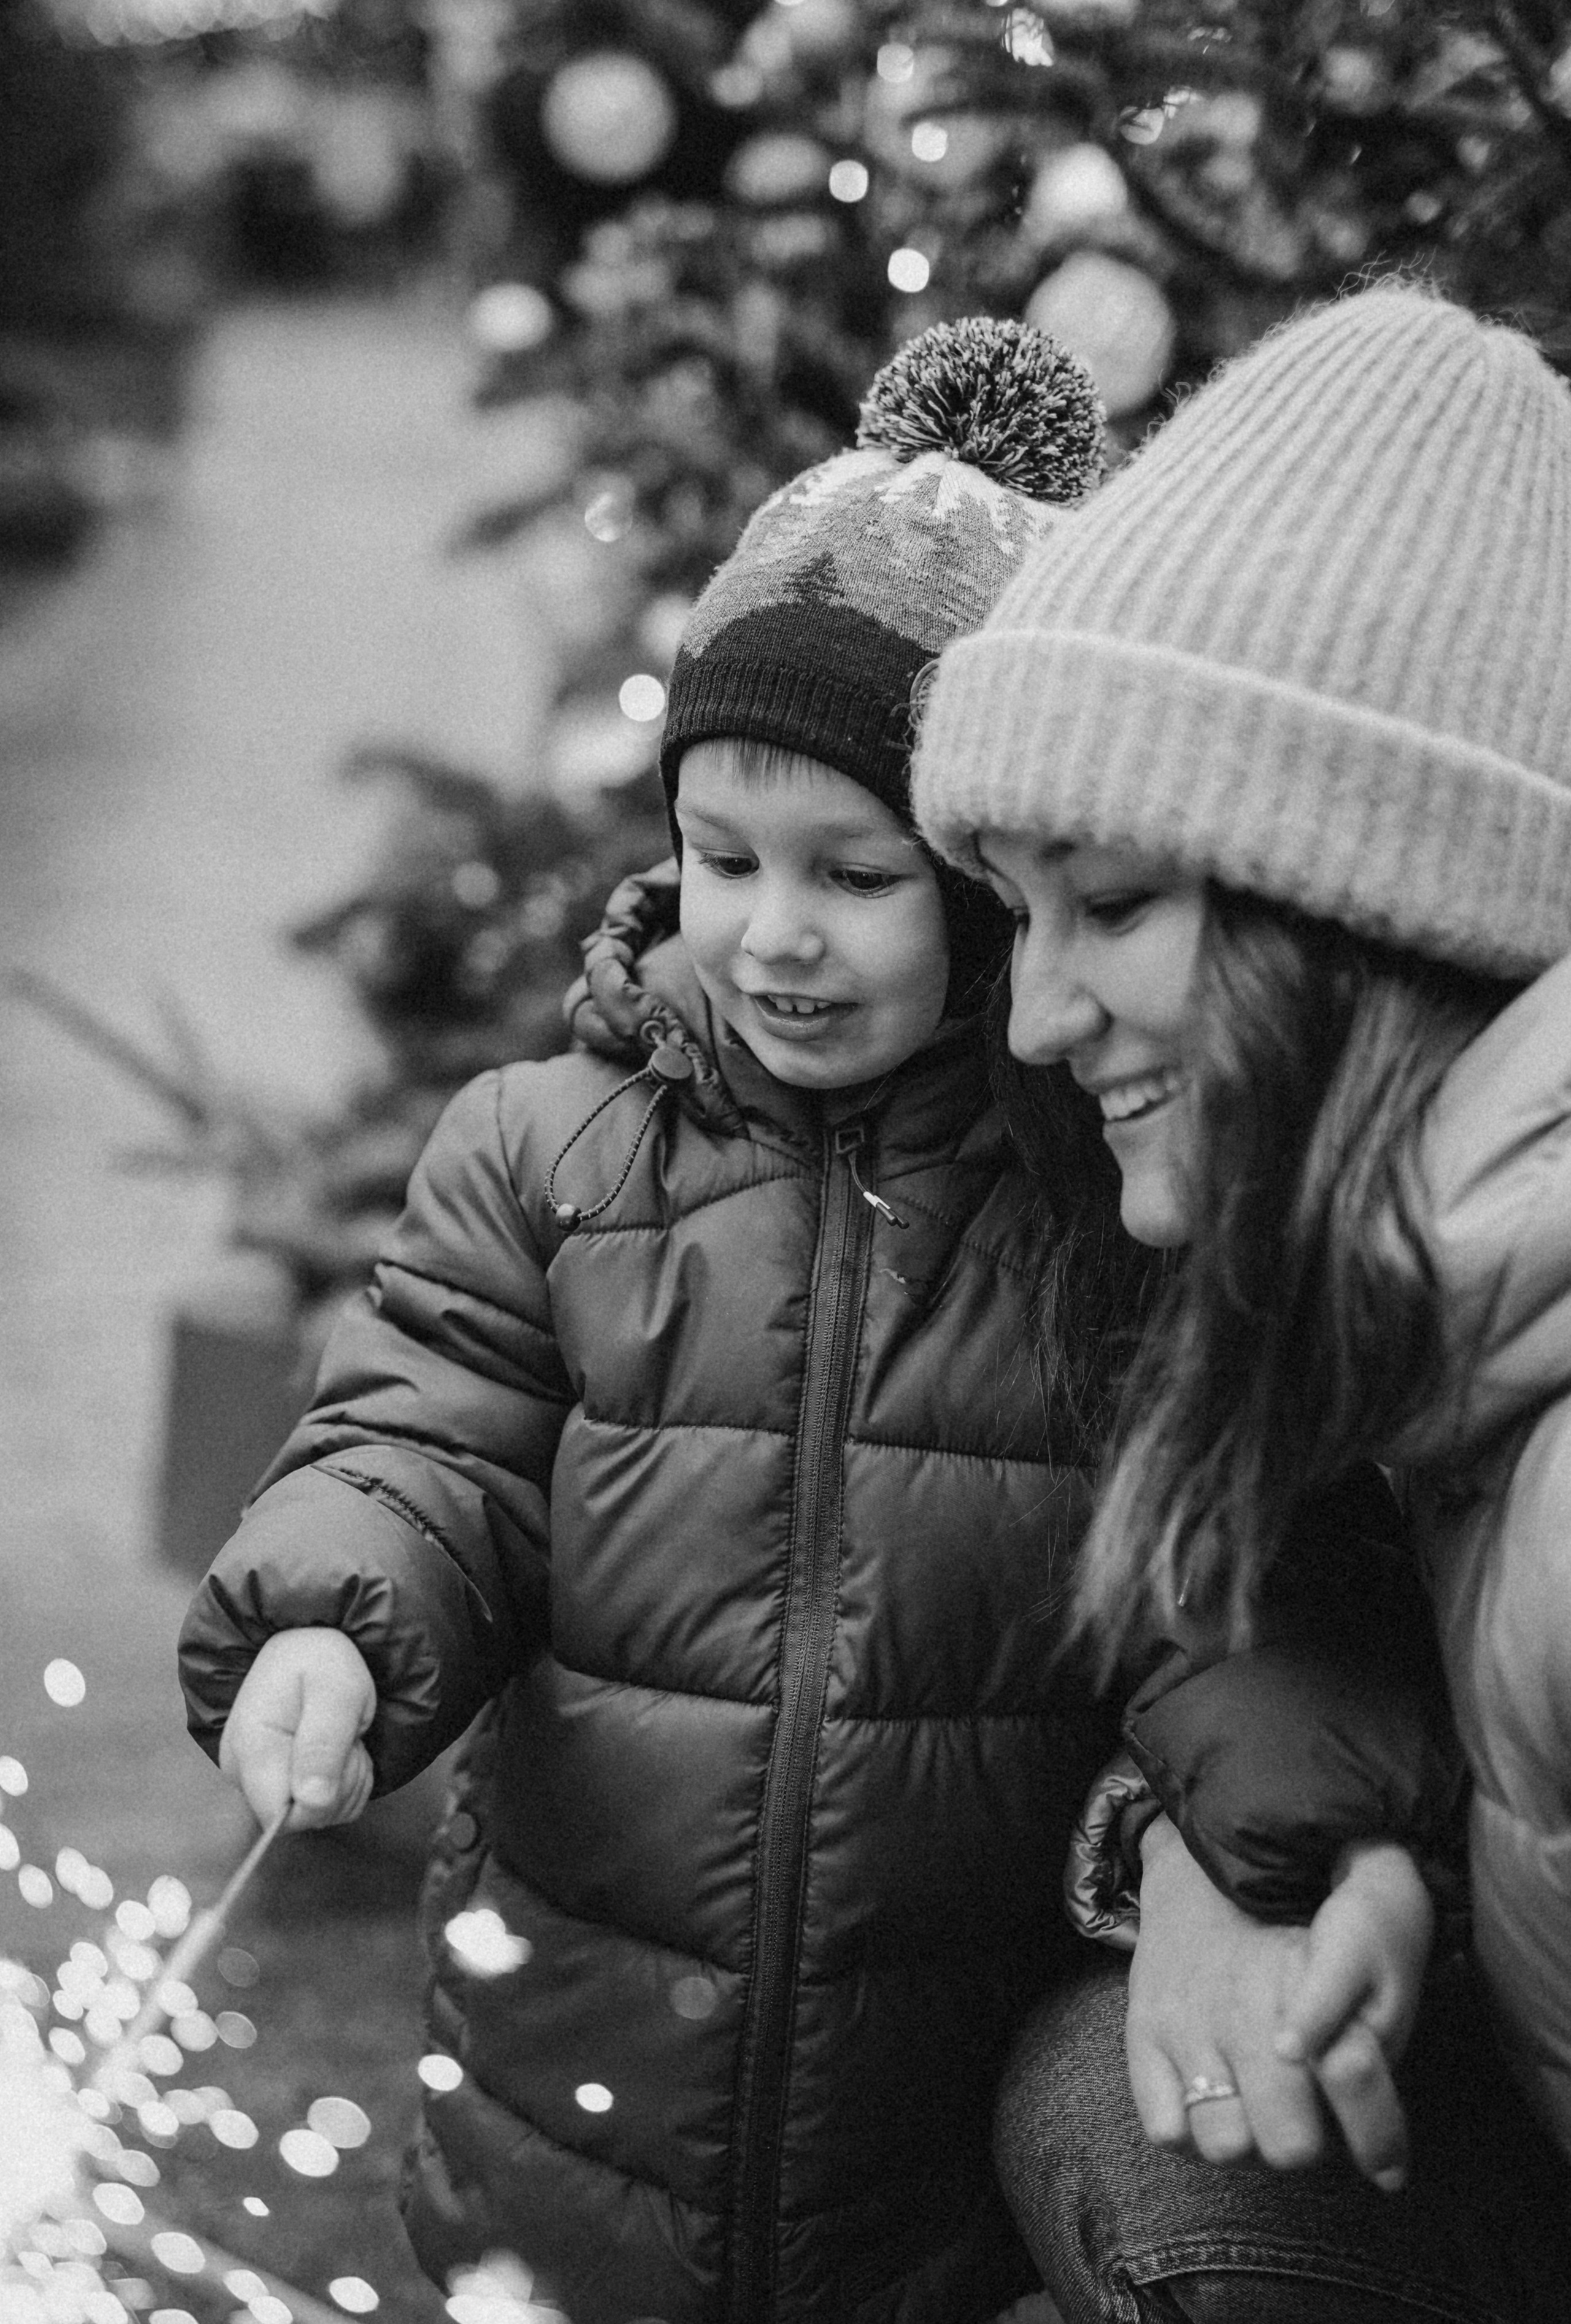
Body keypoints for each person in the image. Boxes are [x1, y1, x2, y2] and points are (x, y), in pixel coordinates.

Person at [177, 316, 1174, 2324]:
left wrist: (1274, 1831)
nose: (771, 931)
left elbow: (1208, 1577)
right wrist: (332, 1624)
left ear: (992, 890)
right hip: (576, 2066)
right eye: (720, 858)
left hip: (934, 2112)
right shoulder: (554, 1151)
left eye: (856, 874)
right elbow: (427, 1443)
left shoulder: (1102, 1213)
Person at [911, 282, 1571, 2322]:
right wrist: (1268, 1860)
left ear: (1370, 915)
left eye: (1111, 907)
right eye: (1024, 918)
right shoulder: (1432, 1332)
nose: (1038, 1011)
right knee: (1101, 2103)